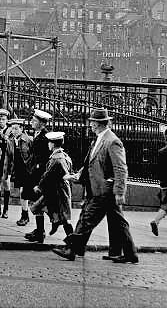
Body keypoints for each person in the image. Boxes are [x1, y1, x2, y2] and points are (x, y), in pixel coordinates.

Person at [52, 107, 138, 264]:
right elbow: (90, 163)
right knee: (118, 222)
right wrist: (78, 175)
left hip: (105, 189)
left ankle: (71, 248)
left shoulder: (112, 141)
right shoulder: (98, 139)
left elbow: (121, 168)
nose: (90, 124)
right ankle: (126, 254)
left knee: (87, 218)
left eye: (92, 122)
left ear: (99, 124)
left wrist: (120, 191)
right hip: (96, 187)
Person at [31, 131, 74, 238]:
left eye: (49, 142)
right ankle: (51, 224)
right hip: (57, 190)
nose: (48, 144)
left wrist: (39, 187)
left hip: (57, 191)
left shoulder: (56, 159)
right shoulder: (64, 155)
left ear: (53, 144)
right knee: (39, 208)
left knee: (64, 217)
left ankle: (73, 242)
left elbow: (47, 175)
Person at [24, 109, 52, 243]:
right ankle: (39, 230)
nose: (31, 122)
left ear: (41, 123)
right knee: (34, 203)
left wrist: (36, 174)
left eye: (34, 121)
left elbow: (43, 159)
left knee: (38, 204)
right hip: (33, 173)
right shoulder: (37, 134)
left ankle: (40, 232)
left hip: (38, 175)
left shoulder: (45, 137)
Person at [8, 118, 33, 226]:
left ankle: (25, 215)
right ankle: (25, 214)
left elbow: (31, 155)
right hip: (18, 169)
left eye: (16, 128)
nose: (14, 131)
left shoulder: (27, 139)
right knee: (22, 192)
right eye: (12, 128)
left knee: (24, 192)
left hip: (27, 169)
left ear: (22, 129)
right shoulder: (12, 140)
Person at [0, 108, 12, 217]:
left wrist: (5, 139)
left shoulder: (9, 131)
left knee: (6, 182)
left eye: (3, 119)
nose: (1, 121)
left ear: (7, 121)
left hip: (6, 160)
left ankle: (6, 209)